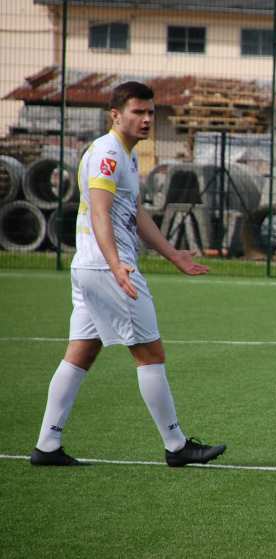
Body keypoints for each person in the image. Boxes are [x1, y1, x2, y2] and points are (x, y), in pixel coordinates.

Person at [30, 82, 226, 468]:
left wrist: (174, 256)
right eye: (138, 111)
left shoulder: (127, 156)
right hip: (108, 268)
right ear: (115, 114)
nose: (147, 119)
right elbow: (100, 212)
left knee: (82, 352)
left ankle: (47, 445)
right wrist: (117, 263)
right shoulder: (107, 152)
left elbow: (136, 215)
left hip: (93, 267)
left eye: (150, 112)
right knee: (150, 352)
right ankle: (176, 445)